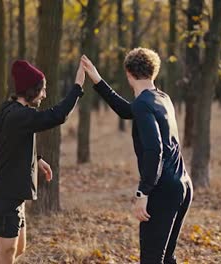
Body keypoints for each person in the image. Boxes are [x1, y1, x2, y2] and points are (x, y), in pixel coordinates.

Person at [81, 48, 193, 264]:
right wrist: (97, 80)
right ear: (154, 72)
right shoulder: (162, 98)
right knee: (166, 257)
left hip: (163, 189)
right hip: (183, 186)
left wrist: (143, 192)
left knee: (152, 259)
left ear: (128, 73)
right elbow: (127, 111)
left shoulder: (143, 103)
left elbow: (154, 150)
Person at [0, 59, 85, 264]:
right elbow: (57, 116)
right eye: (42, 90)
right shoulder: (19, 116)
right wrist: (77, 87)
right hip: (5, 196)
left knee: (19, 249)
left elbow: (11, 143)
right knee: (6, 254)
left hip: (15, 196)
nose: (44, 94)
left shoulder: (12, 110)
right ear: (32, 90)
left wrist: (37, 159)